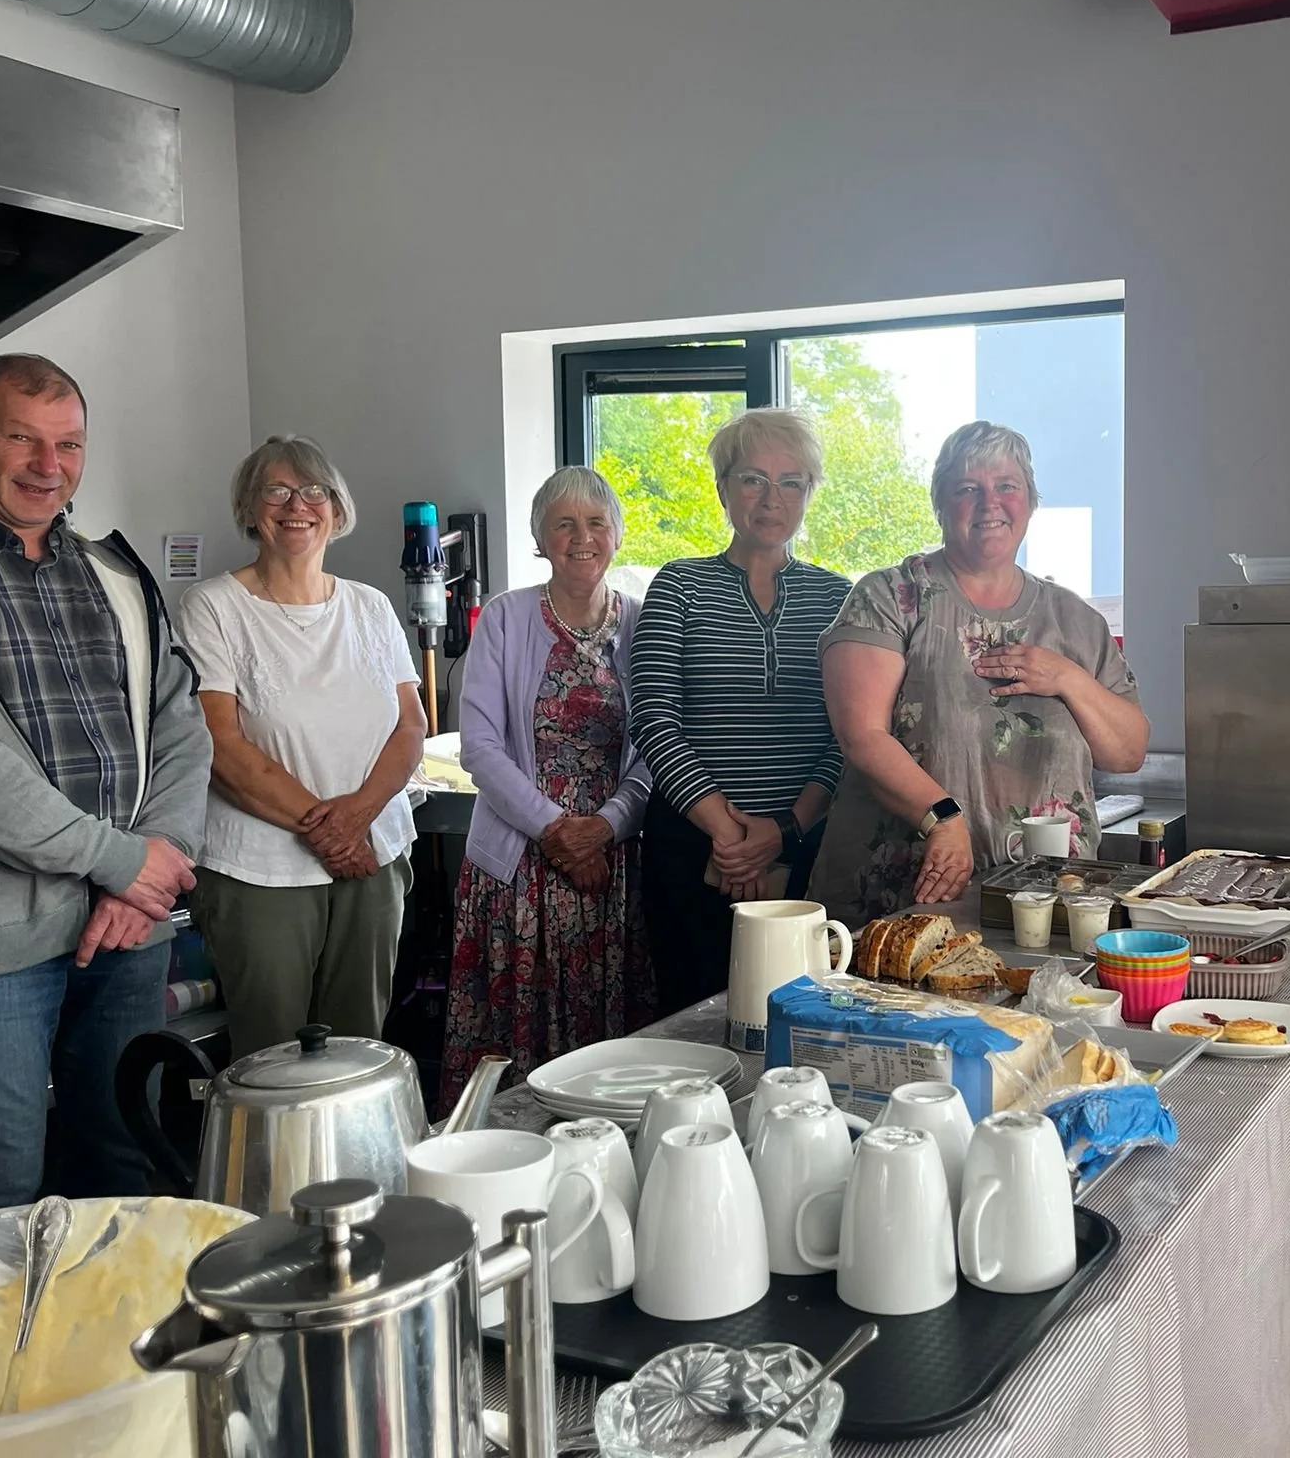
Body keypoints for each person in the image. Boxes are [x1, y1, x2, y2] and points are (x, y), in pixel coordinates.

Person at [0, 353, 211, 1207]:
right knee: (1, 1190)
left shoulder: (119, 579)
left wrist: (149, 871)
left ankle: (109, 1344)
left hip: (128, 933)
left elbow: (181, 726)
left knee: (125, 1169)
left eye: (70, 444)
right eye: (22, 438)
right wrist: (120, 862)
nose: (48, 466)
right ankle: (5, 1347)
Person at [812, 420, 1148, 925]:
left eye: (1006, 486)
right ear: (940, 504)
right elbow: (861, 734)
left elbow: (1128, 752)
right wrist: (944, 819)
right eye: (967, 489)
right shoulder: (891, 597)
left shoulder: (1076, 621)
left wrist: (1068, 679)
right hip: (908, 895)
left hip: (1043, 899)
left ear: (1031, 501)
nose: (990, 503)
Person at [174, 437, 425, 1061]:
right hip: (260, 870)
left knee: (360, 1046)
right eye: (277, 491)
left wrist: (357, 820)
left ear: (336, 510)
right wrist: (331, 833)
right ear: (250, 508)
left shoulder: (369, 605)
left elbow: (411, 726)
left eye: (314, 491)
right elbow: (221, 744)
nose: (297, 506)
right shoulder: (212, 606)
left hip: (373, 857)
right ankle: (274, 1165)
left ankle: (356, 1163)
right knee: (273, 1053)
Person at [440, 466, 653, 1107]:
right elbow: (479, 747)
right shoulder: (504, 619)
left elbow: (656, 748)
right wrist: (557, 830)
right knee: (514, 1048)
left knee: (607, 1048)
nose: (580, 537)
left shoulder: (643, 623)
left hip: (612, 865)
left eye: (595, 523)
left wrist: (607, 827)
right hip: (520, 868)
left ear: (615, 534)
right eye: (564, 524)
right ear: (540, 538)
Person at [631, 409, 853, 1012]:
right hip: (691, 850)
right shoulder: (678, 586)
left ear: (810, 493)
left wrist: (780, 833)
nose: (772, 498)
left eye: (792, 482)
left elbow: (849, 733)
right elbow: (652, 716)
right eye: (754, 479)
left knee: (800, 1016)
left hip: (804, 849)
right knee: (694, 1018)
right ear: (723, 488)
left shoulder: (838, 598)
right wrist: (728, 834)